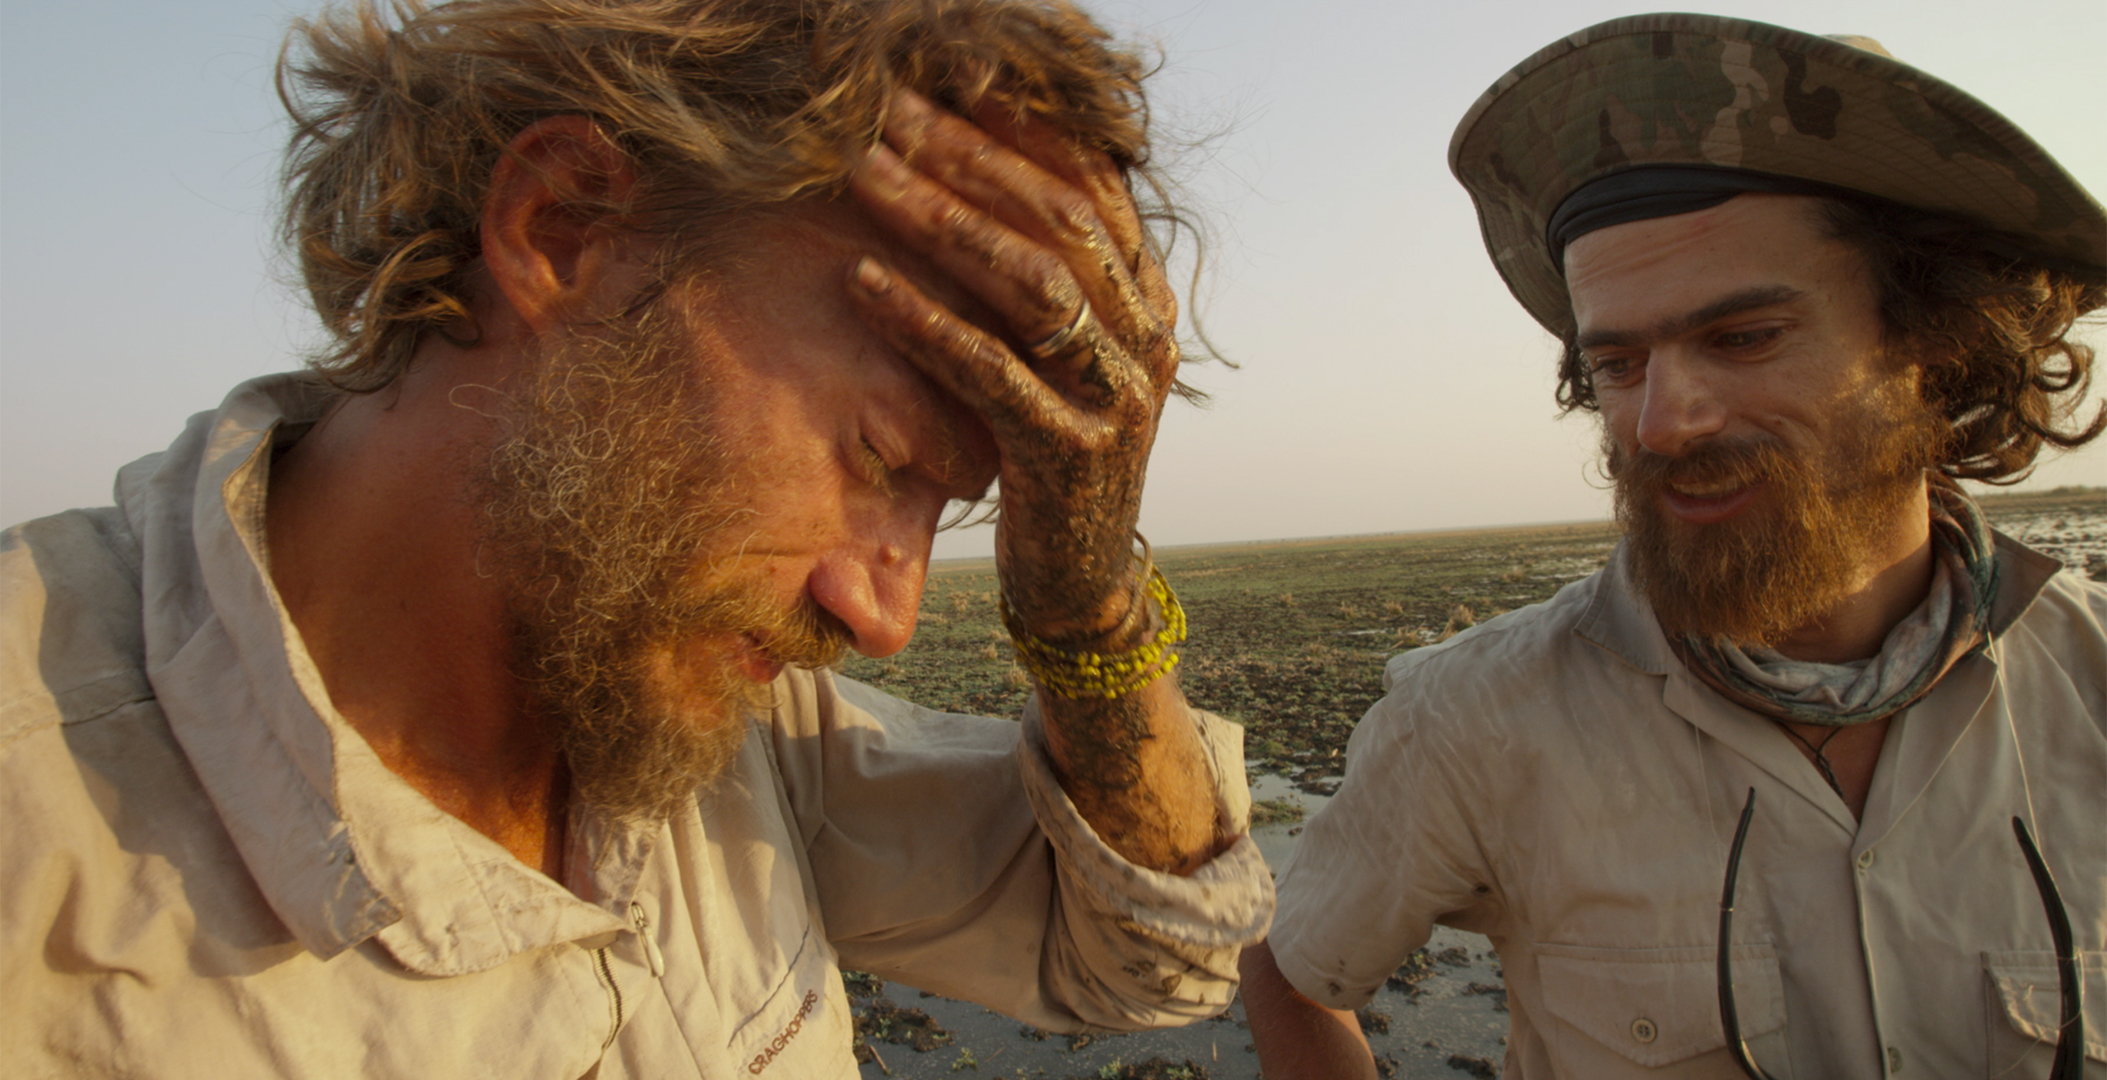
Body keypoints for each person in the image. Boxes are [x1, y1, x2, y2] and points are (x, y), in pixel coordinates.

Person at [0, 1, 1275, 1075]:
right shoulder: (37, 844)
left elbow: (1155, 950)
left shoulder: (723, 729)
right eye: (884, 458)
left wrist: (1081, 601)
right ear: (562, 228)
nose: (881, 618)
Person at [1242, 14, 2104, 1079]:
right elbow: (1292, 972)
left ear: (1930, 341)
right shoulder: (1471, 720)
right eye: (1617, 363)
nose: (1661, 422)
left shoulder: (2090, 687)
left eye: (1741, 338)